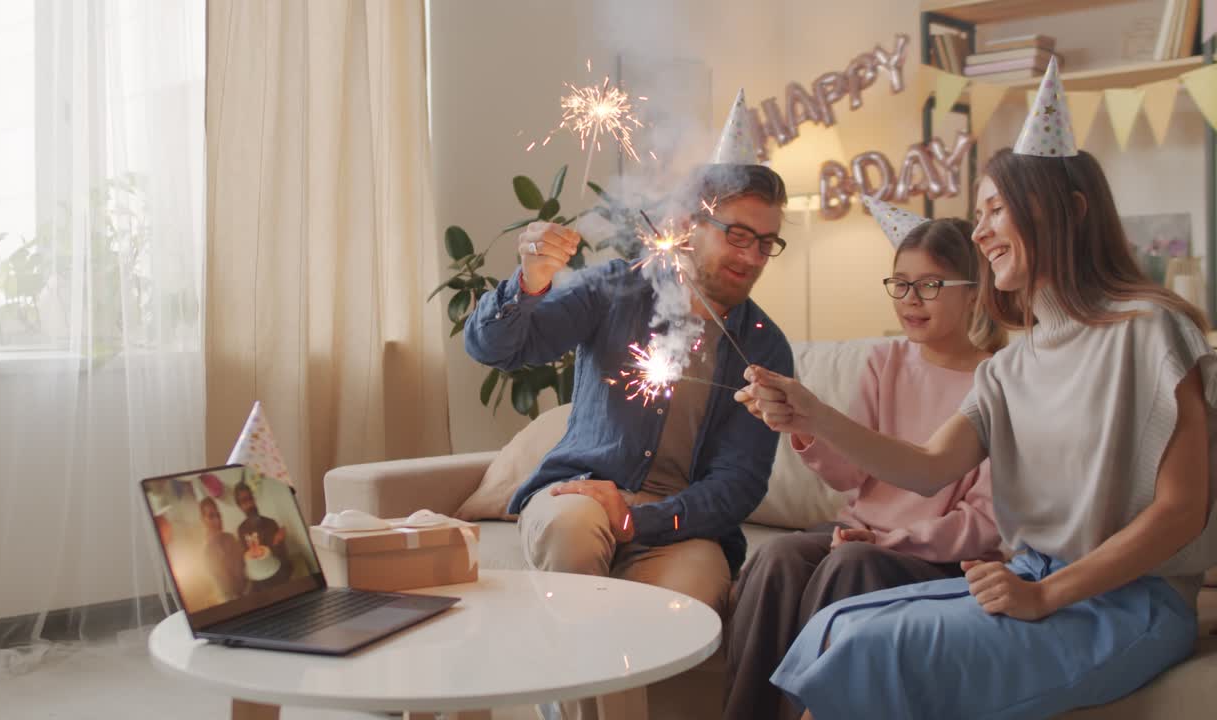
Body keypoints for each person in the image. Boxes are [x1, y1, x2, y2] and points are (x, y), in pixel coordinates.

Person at [740, 58, 1217, 719]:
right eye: (979, 213)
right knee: (834, 627)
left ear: (1071, 211)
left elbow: (1182, 511)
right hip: (1028, 579)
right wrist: (813, 413)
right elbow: (928, 467)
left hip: (1130, 600)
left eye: (996, 210)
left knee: (869, 649)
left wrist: (1047, 596)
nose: (981, 231)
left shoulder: (1150, 331)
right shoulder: (1009, 369)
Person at [464, 90, 795, 720]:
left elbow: (739, 484)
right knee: (570, 530)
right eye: (738, 235)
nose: (752, 257)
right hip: (581, 495)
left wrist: (639, 521)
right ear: (690, 223)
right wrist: (530, 280)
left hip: (682, 526)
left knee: (681, 602)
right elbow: (494, 348)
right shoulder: (616, 288)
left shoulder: (763, 346)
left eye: (767, 243)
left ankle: (564, 694)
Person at [724, 199, 1006, 720]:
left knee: (850, 564)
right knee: (777, 557)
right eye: (900, 283)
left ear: (974, 293)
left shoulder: (999, 380)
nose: (910, 300)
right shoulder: (887, 361)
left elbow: (983, 524)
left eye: (930, 285)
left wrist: (890, 542)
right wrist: (802, 427)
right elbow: (849, 472)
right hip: (858, 534)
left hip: (938, 557)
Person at [234, 480, 292, 590]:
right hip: (259, 583)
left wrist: (278, 542)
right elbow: (247, 562)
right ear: (239, 506)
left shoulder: (271, 523)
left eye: (250, 498)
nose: (250, 504)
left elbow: (284, 559)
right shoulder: (241, 530)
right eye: (244, 501)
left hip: (278, 577)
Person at [199, 496, 248, 601]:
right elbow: (225, 588)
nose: (218, 520)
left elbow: (243, 564)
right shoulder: (206, 551)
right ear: (203, 520)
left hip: (248, 591)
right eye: (211, 516)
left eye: (218, 515)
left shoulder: (230, 537)